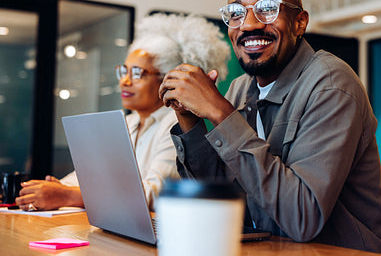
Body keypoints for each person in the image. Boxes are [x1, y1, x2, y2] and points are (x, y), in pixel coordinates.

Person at [159, 0, 381, 255]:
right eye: (235, 13)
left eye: (267, 9)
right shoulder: (240, 88)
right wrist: (190, 120)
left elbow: (302, 218)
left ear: (300, 23)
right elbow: (219, 197)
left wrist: (221, 113)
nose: (248, 24)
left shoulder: (331, 85)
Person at [16, 13, 230, 212]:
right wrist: (51, 188)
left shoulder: (176, 127)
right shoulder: (127, 122)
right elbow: (87, 176)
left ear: (167, 79)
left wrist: (67, 196)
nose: (125, 81)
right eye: (123, 71)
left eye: (137, 73)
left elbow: (154, 193)